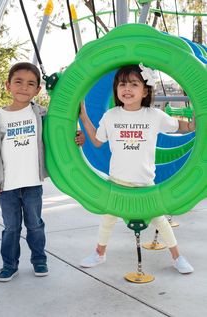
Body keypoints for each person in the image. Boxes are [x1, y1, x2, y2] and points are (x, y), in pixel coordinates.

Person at [79, 64, 195, 274]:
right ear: (116, 89)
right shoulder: (111, 116)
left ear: (145, 90)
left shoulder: (153, 116)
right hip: (117, 181)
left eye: (134, 84)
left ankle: (177, 257)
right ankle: (99, 252)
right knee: (108, 218)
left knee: (159, 219)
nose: (127, 88)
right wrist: (84, 117)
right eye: (122, 84)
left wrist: (195, 122)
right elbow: (97, 141)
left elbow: (181, 127)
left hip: (144, 182)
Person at [0, 62, 85, 282]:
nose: (24, 87)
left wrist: (78, 137)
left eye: (31, 83)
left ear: (38, 89)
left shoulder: (42, 115)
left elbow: (61, 134)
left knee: (35, 225)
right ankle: (9, 265)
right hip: (7, 186)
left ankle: (39, 259)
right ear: (8, 86)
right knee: (11, 228)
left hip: (32, 184)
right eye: (18, 82)